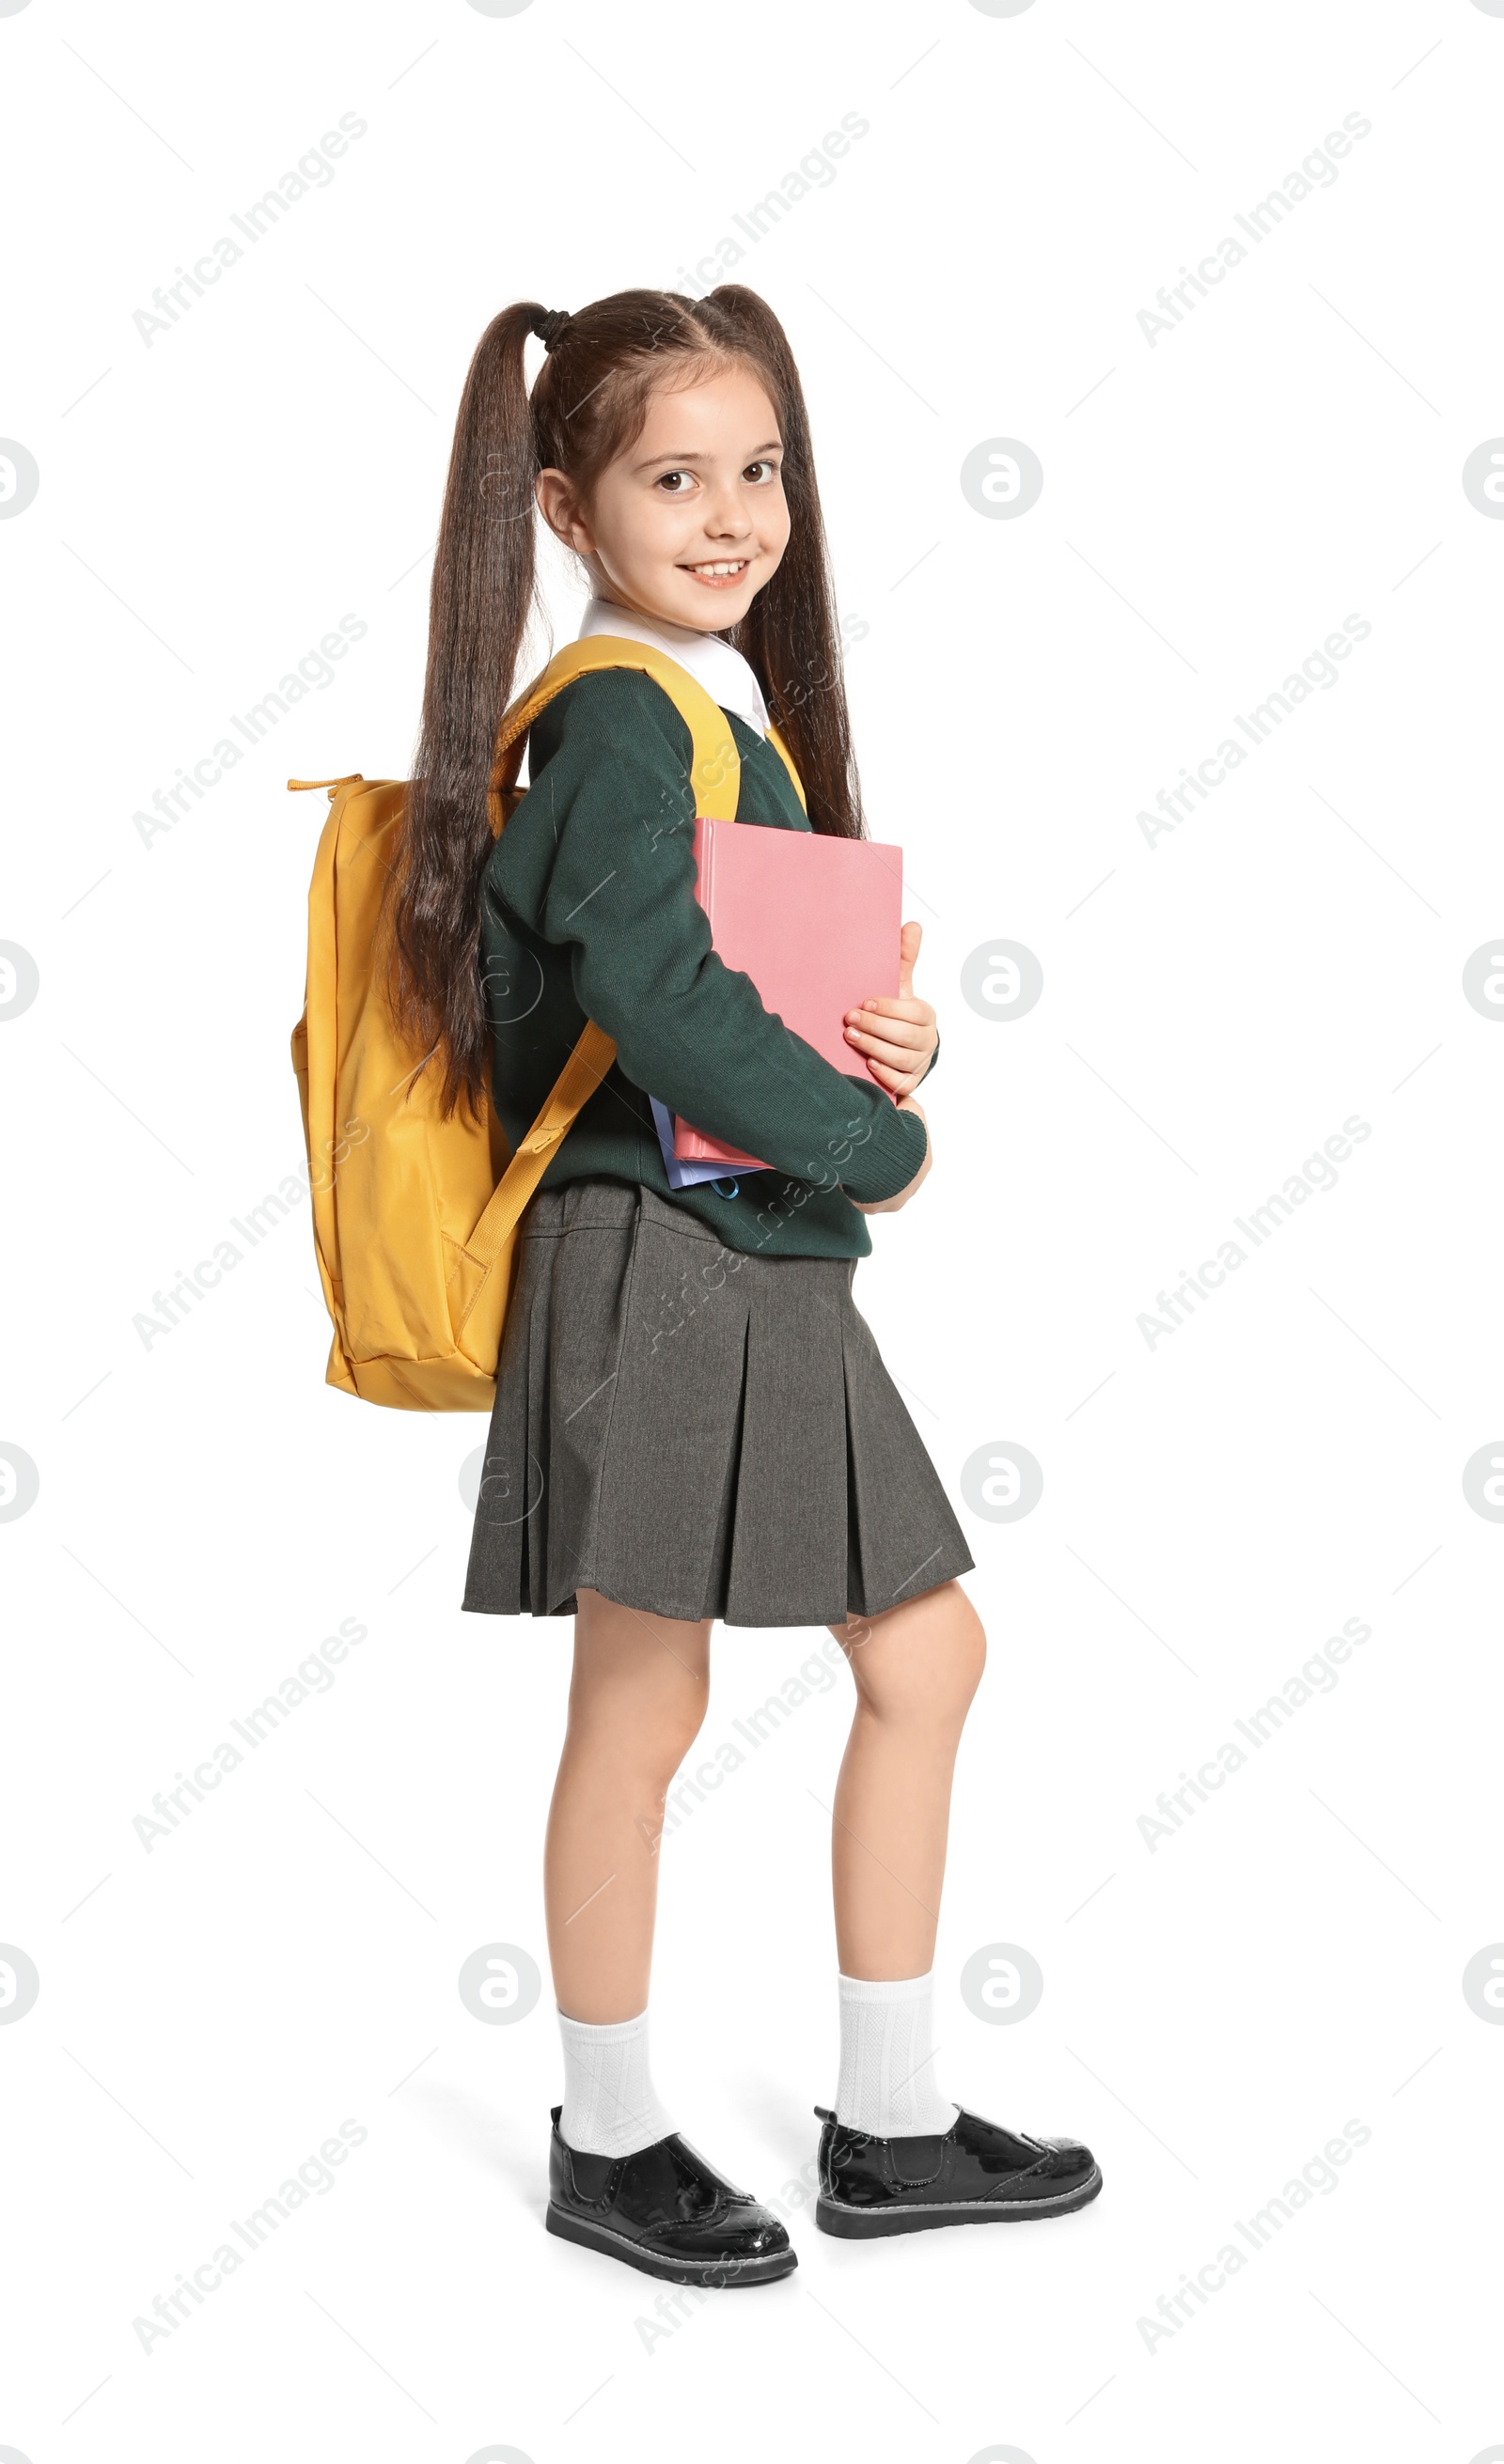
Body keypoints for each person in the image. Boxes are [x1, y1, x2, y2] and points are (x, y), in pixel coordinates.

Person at [386, 285, 1101, 2285]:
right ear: (564, 503)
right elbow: (654, 993)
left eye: (759, 468)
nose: (730, 513)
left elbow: (725, 984)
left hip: (745, 1244)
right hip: (665, 1250)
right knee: (647, 1690)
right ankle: (610, 2140)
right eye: (672, 474)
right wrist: (867, 1137)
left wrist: (879, 1052)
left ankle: (882, 2121)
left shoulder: (709, 706)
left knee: (911, 1656)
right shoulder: (622, 711)